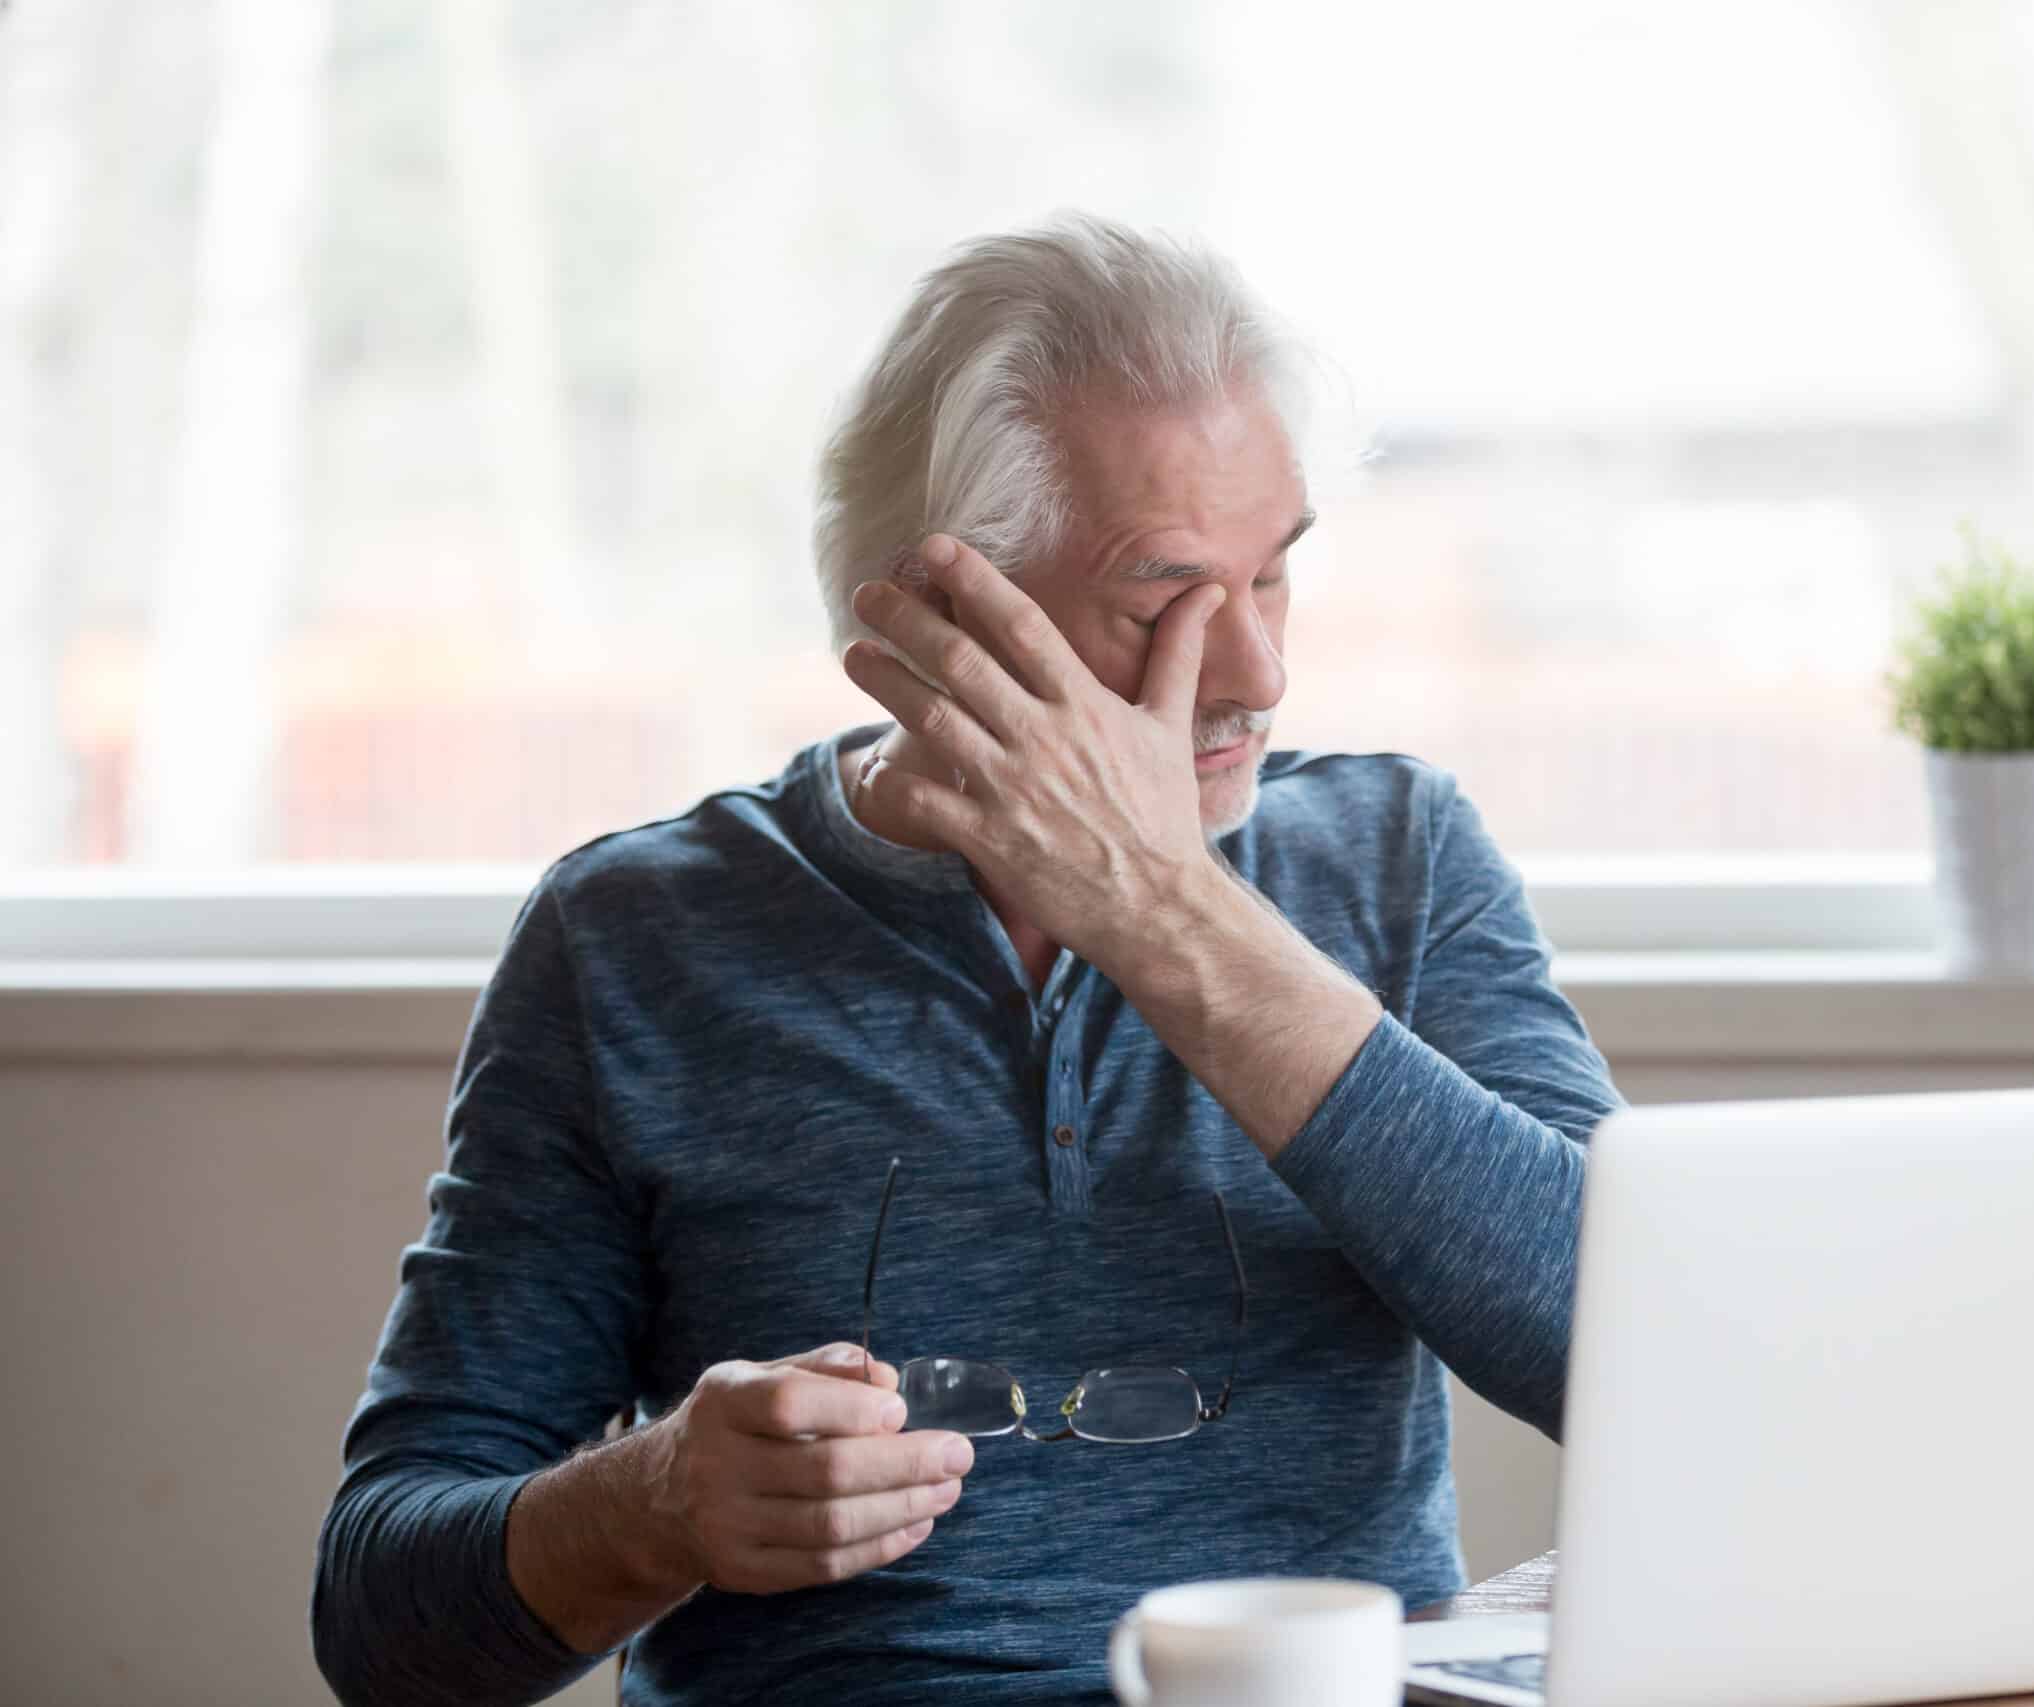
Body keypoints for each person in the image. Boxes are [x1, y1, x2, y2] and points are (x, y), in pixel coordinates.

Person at [312, 213, 1622, 1706]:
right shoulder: (632, 938)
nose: (1257, 671)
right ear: (942, 619)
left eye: (1274, 578)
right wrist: (656, 1500)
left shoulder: (1401, 858)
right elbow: (382, 1621)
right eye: (1165, 599)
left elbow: (1637, 1358)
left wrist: (1160, 912)